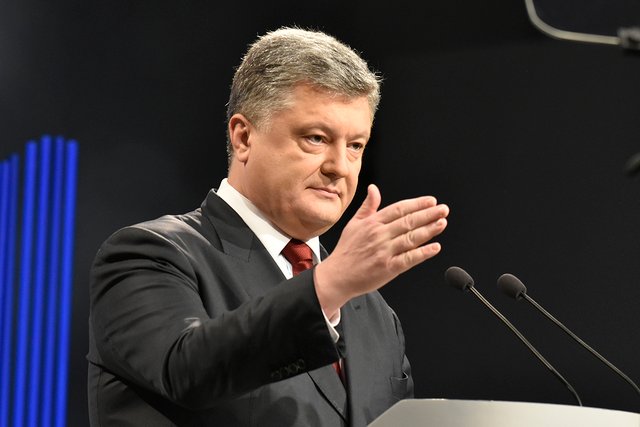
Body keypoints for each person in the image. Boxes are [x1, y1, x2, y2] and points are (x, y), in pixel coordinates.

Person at [87, 26, 449, 426]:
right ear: (243, 137)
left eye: (355, 146)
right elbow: (186, 369)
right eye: (316, 138)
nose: (339, 167)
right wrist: (328, 285)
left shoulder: (373, 312)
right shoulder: (150, 255)